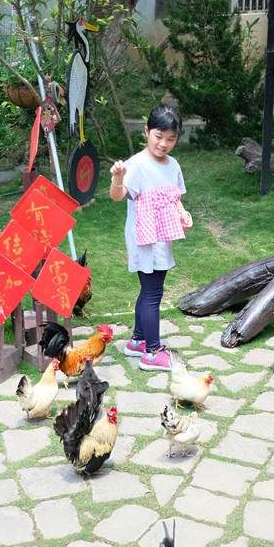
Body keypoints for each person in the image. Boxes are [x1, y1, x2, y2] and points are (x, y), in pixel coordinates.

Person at [109, 104, 192, 371]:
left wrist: (183, 213)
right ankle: (153, 352)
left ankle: (138, 341)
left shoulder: (173, 165)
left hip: (163, 236)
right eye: (159, 136)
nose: (164, 144)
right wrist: (118, 179)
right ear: (146, 132)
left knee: (149, 291)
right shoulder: (136, 165)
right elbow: (117, 196)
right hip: (145, 238)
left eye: (171, 139)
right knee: (153, 293)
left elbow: (174, 196)